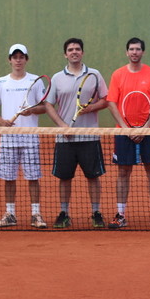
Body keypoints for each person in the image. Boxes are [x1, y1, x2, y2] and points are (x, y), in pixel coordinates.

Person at [44, 38, 109, 229]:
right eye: (70, 49)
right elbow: (49, 104)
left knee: (93, 176)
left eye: (77, 49)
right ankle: (64, 212)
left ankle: (96, 212)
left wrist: (90, 109)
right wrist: (63, 126)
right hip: (65, 139)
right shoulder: (57, 78)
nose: (74, 52)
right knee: (64, 177)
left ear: (82, 52)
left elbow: (105, 100)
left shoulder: (94, 74)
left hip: (89, 136)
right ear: (65, 54)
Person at [106, 37, 150, 229]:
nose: (134, 52)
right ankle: (121, 214)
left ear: (143, 52)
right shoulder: (117, 75)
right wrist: (125, 129)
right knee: (123, 172)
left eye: (138, 49)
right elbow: (111, 102)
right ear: (127, 52)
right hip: (124, 132)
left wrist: (146, 127)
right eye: (131, 49)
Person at [0, 44, 47, 228]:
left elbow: (45, 106)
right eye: (15, 57)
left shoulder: (35, 81)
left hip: (30, 138)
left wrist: (32, 111)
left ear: (26, 59)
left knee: (33, 177)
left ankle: (36, 214)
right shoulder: (1, 82)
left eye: (22, 57)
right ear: (10, 60)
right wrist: (2, 122)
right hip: (8, 139)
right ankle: (10, 213)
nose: (18, 60)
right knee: (9, 178)